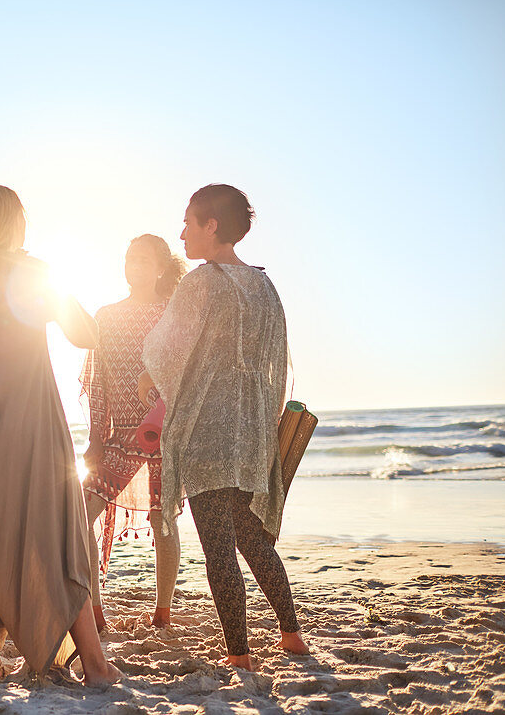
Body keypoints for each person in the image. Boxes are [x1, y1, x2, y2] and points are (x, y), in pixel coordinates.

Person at [0, 184, 121, 686]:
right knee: (58, 535)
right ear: (15, 221)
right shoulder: (33, 271)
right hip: (32, 422)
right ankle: (97, 666)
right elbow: (87, 334)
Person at [139, 184, 309, 671]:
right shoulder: (264, 286)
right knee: (252, 537)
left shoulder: (201, 282)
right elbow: (277, 364)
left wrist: (149, 377)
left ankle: (240, 653)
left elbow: (166, 349)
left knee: (218, 548)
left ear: (212, 225)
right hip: (253, 435)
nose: (183, 234)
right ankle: (291, 633)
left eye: (189, 223)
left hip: (206, 436)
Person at [80, 234, 186, 632]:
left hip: (165, 433)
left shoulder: (174, 313)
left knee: (164, 521)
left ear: (161, 267)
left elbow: (185, 373)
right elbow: (98, 383)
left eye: (143, 260)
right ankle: (95, 608)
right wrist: (94, 437)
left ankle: (163, 609)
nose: (134, 266)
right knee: (79, 514)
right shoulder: (105, 316)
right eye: (129, 259)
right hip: (118, 437)